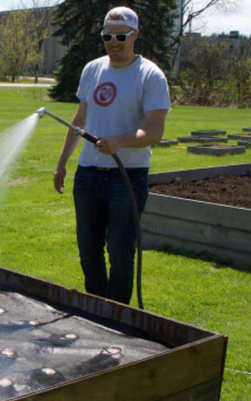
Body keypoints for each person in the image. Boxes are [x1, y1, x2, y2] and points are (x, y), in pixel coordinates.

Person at [53, 6, 170, 304]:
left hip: (127, 177)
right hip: (88, 174)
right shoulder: (93, 69)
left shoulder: (150, 76)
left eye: (121, 35)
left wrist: (118, 142)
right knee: (88, 251)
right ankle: (97, 311)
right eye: (108, 36)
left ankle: (118, 316)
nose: (114, 42)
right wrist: (62, 164)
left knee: (119, 253)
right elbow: (79, 121)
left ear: (135, 35)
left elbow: (154, 131)